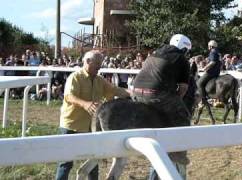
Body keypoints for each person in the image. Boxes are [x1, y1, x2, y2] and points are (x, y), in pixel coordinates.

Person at [55, 50, 130, 180]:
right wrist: (85, 104)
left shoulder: (100, 80)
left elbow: (114, 90)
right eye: (97, 64)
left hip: (88, 127)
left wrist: (134, 92)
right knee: (65, 163)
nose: (99, 67)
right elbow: (69, 96)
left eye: (100, 64)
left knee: (93, 160)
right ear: (88, 61)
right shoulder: (75, 77)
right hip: (70, 126)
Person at [132, 34, 192, 180]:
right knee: (184, 114)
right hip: (156, 93)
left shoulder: (154, 53)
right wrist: (176, 101)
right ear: (184, 48)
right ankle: (179, 154)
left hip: (135, 91)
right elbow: (183, 89)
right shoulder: (182, 59)